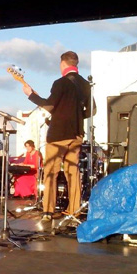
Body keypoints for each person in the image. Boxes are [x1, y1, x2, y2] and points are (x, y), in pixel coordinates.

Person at [22, 51, 94, 221]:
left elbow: (49, 106)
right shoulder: (86, 85)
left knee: (51, 172)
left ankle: (48, 211)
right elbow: (92, 110)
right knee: (73, 172)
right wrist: (76, 116)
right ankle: (74, 210)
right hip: (77, 134)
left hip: (58, 135)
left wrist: (31, 95)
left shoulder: (60, 83)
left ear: (63, 64)